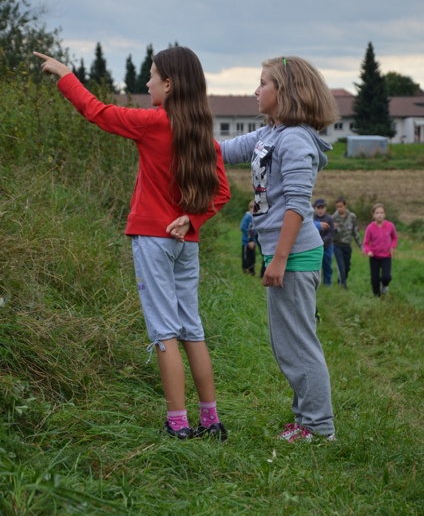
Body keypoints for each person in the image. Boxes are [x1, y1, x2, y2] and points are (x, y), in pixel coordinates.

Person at [34, 47, 231, 442]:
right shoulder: (202, 135)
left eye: (152, 75)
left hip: (154, 240)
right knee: (191, 328)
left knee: (164, 331)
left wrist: (64, 74)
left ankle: (178, 424)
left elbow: (97, 112)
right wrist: (192, 219)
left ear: (169, 84)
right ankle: (211, 420)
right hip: (185, 242)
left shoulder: (153, 123)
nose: (147, 82)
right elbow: (222, 192)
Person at [220, 55, 340, 442]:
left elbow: (297, 205)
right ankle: (306, 420)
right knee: (287, 344)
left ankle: (318, 427)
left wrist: (280, 261)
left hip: (295, 255)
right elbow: (221, 151)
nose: (256, 90)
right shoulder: (269, 134)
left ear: (284, 91)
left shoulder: (295, 139)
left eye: (263, 83)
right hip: (282, 254)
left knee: (298, 344)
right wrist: (173, 125)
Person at [363, 203, 398, 297]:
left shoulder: (390, 225)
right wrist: (368, 251)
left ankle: (385, 285)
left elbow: (394, 238)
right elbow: (366, 243)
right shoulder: (370, 227)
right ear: (373, 215)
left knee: (386, 277)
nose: (379, 215)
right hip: (374, 256)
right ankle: (377, 297)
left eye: (381, 213)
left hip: (386, 256)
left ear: (385, 214)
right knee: (375, 280)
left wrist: (392, 247)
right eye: (377, 213)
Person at [332, 196, 362, 289]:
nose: (339, 209)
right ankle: (343, 285)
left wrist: (361, 246)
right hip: (337, 245)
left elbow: (355, 232)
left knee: (347, 267)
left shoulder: (352, 217)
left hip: (347, 245)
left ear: (345, 206)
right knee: (341, 266)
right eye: (337, 207)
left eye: (341, 206)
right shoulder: (333, 218)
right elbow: (329, 234)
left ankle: (342, 279)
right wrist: (334, 228)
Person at [313, 199, 335, 287]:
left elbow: (331, 233)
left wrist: (322, 241)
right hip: (314, 247)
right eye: (318, 207)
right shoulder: (311, 219)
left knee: (327, 265)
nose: (320, 210)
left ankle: (327, 283)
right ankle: (314, 283)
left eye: (322, 207)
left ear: (325, 208)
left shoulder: (329, 219)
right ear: (314, 208)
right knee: (314, 266)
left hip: (327, 247)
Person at [240, 200, 256, 275]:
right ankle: (246, 270)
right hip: (246, 241)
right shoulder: (247, 217)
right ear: (250, 208)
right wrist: (251, 233)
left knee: (252, 257)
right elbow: (242, 227)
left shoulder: (255, 218)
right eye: (252, 208)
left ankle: (251, 270)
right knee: (246, 256)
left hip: (253, 241)